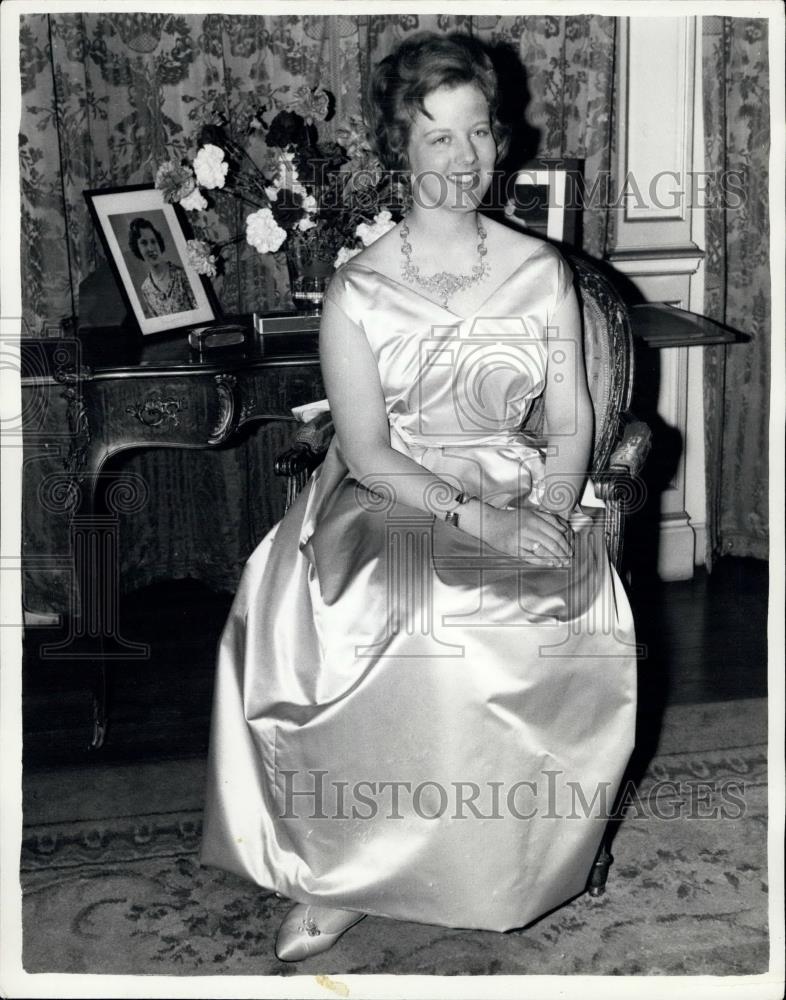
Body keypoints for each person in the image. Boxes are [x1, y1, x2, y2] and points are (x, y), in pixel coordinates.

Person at [200, 32, 636, 963]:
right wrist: (487, 523)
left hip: (523, 482)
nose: (462, 158)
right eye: (437, 137)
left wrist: (549, 517)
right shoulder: (359, 288)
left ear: (499, 141)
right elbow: (365, 448)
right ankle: (344, 869)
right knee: (407, 600)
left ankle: (513, 851)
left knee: (529, 601)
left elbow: (569, 421)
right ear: (400, 147)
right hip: (390, 492)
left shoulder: (541, 273)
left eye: (477, 133)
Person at [128, 217, 196, 317]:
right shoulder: (145, 289)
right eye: (144, 243)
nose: (151, 248)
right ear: (137, 249)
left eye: (153, 241)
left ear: (159, 244)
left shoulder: (182, 275)